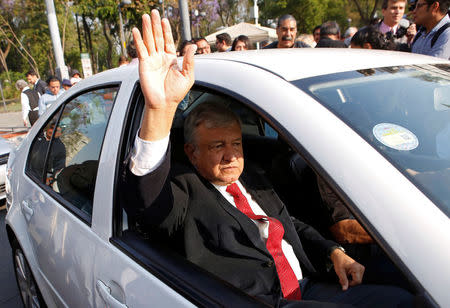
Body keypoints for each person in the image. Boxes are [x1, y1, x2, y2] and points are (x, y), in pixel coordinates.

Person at [125, 10, 413, 307]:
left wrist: (333, 253)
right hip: (265, 301)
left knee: (402, 301)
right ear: (191, 152)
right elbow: (147, 202)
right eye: (218, 146)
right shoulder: (184, 192)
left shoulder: (253, 178)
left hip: (310, 285)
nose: (231, 155)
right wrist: (160, 109)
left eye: (236, 143)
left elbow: (291, 226)